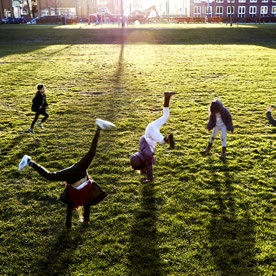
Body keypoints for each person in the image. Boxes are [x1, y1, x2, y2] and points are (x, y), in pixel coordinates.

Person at [18, 118, 115, 228]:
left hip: (73, 176)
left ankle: (29, 162)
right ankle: (99, 127)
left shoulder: (73, 198)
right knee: (91, 153)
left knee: (50, 176)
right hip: (77, 171)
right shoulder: (82, 197)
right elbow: (87, 204)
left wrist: (71, 224)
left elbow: (78, 208)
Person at [130, 92, 176, 183]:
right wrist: (143, 171)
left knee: (162, 141)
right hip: (149, 128)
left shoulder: (147, 156)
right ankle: (167, 98)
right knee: (166, 116)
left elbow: (149, 169)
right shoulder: (141, 150)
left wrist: (149, 179)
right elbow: (145, 166)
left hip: (151, 133)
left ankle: (167, 139)